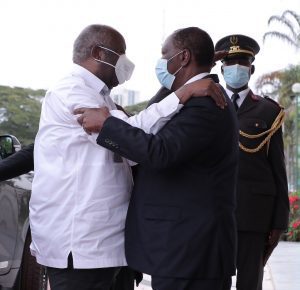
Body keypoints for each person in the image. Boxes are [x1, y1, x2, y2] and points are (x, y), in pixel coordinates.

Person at [0, 24, 226, 290]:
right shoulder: (72, 91)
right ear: (98, 53)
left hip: (107, 243)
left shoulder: (102, 97)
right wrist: (182, 92)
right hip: (81, 245)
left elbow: (131, 143)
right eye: (120, 54)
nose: (127, 63)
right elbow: (135, 132)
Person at [75, 27, 239, 290]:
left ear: (183, 58)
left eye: (165, 54)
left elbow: (160, 152)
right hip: (183, 250)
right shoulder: (195, 97)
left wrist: (107, 125)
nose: (161, 62)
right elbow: (152, 118)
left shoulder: (206, 103)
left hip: (191, 251)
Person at [214, 34, 290, 290]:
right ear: (222, 69)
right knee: (213, 280)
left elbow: (278, 170)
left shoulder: (269, 111)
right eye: (231, 62)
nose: (236, 67)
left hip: (254, 214)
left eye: (243, 62)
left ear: (252, 69)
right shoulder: (207, 104)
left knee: (250, 284)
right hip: (212, 213)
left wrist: (279, 222)